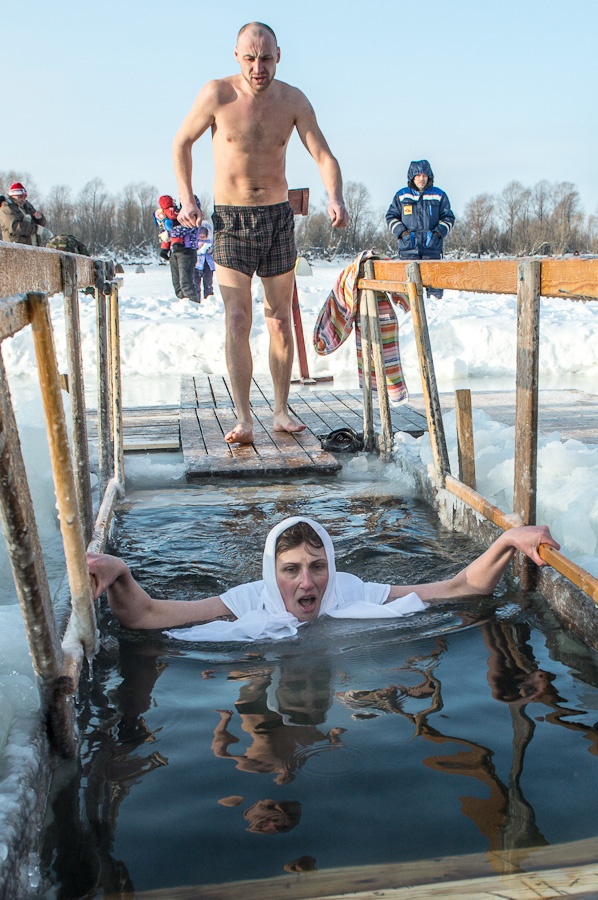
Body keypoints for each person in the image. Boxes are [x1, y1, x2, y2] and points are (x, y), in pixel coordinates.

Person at [172, 22, 349, 445]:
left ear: (278, 56)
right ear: (237, 56)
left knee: (279, 320)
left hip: (277, 218)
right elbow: (181, 143)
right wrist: (186, 198)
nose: (258, 68)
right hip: (231, 219)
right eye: (250, 58)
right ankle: (244, 417)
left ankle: (282, 411)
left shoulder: (293, 100)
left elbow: (323, 154)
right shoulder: (217, 94)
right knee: (237, 318)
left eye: (266, 58)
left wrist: (335, 196)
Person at [87, 516, 560, 643]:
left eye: (317, 566)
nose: (307, 583)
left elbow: (459, 589)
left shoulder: (348, 591)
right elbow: (147, 616)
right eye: (290, 570)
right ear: (272, 575)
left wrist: (505, 540)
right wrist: (120, 572)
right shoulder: (249, 601)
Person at [385, 160, 455, 299]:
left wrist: (437, 234)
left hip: (432, 249)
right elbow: (391, 217)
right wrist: (403, 234)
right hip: (408, 250)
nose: (421, 179)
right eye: (418, 175)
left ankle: (434, 309)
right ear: (412, 177)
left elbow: (448, 218)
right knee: (410, 292)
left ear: (429, 176)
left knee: (435, 290)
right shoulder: (402, 196)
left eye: (424, 175)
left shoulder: (439, 195)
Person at [193, 225, 215, 301]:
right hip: (196, 265)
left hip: (207, 265)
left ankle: (209, 299)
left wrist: (210, 250)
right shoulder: (195, 242)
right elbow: (194, 252)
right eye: (200, 236)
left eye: (204, 236)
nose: (202, 238)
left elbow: (212, 253)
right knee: (195, 283)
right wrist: (201, 250)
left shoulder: (210, 242)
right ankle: (196, 299)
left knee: (208, 283)